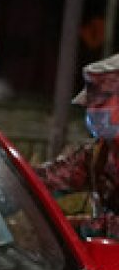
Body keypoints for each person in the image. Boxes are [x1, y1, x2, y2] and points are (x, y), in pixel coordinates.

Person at [36, 53, 119, 239]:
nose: (91, 112)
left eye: (101, 102)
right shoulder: (98, 154)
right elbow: (42, 180)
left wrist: (86, 226)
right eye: (90, 104)